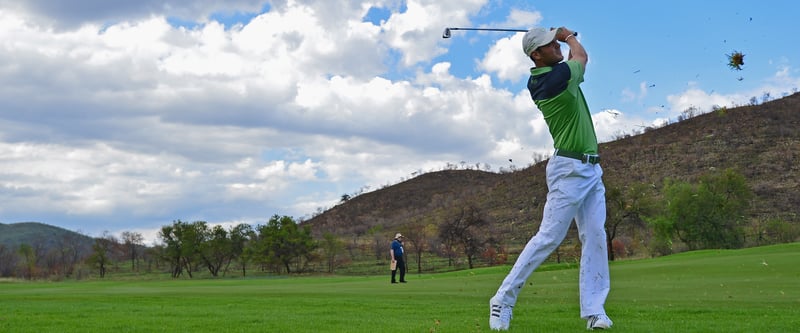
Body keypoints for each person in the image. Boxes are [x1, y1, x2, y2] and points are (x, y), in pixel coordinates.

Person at [488, 26, 612, 331]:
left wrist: (558, 39)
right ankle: (502, 300)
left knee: (595, 235)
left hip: (591, 169)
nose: (555, 47)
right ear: (536, 54)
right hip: (569, 169)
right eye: (549, 45)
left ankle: (595, 312)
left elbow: (572, 60)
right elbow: (581, 56)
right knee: (548, 238)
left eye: (554, 43)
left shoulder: (552, 74)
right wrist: (566, 35)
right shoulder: (554, 79)